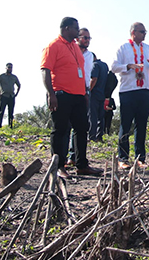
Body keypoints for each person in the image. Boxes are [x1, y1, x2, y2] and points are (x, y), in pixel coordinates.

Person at [41, 17, 101, 178]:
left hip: (79, 95)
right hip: (61, 94)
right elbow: (45, 70)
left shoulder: (75, 47)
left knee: (82, 129)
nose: (78, 30)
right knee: (60, 130)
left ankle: (81, 164)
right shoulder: (53, 46)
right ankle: (58, 166)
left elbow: (80, 71)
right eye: (76, 28)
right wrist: (51, 94)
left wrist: (84, 93)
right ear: (67, 28)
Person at [111, 22, 149, 169]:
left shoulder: (148, 48)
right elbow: (113, 67)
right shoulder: (123, 48)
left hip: (145, 89)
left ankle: (140, 158)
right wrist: (129, 66)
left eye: (145, 32)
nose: (144, 34)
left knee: (142, 125)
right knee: (126, 124)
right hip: (128, 90)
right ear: (133, 32)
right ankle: (123, 158)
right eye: (142, 31)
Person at [0, 63, 21, 129]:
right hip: (3, 96)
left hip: (11, 96)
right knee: (1, 112)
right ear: (6, 68)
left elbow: (19, 85)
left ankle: (10, 127)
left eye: (11, 67)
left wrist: (16, 94)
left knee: (11, 112)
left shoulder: (14, 77)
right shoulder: (2, 76)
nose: (10, 69)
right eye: (8, 67)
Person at [89, 54, 110, 141]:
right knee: (101, 117)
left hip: (94, 93)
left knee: (92, 116)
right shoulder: (104, 65)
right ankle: (99, 136)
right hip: (102, 93)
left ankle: (91, 136)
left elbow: (94, 78)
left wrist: (88, 90)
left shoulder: (95, 65)